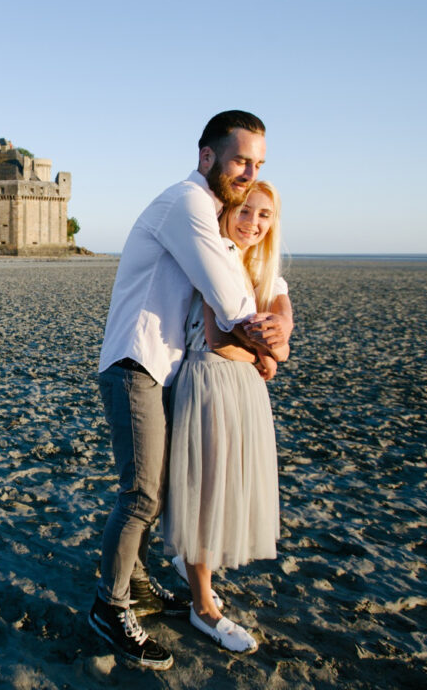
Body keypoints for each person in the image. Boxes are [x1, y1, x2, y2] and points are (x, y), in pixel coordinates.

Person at [89, 111, 290, 671]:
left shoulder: (210, 210)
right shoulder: (190, 204)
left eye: (258, 165)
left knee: (157, 490)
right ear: (208, 157)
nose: (249, 172)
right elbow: (230, 300)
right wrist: (267, 345)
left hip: (163, 367)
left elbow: (251, 286)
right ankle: (109, 605)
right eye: (240, 160)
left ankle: (141, 583)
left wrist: (279, 328)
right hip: (136, 361)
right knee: (142, 494)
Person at [163, 181, 291, 654]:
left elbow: (281, 324)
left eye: (264, 216)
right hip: (212, 381)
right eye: (245, 211)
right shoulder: (215, 255)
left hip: (244, 389)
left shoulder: (261, 266)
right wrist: (268, 355)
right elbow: (218, 337)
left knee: (227, 485)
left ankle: (194, 569)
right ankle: (202, 607)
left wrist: (277, 345)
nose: (253, 223)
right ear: (227, 210)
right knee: (206, 490)